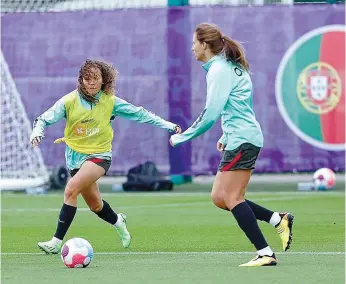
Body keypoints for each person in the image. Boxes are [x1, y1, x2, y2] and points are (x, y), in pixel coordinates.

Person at [170, 23, 294, 267]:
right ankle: (277, 219)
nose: (192, 47)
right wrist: (226, 136)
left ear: (205, 44)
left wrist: (182, 137)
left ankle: (265, 253)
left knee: (232, 196)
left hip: (243, 140)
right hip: (240, 137)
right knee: (220, 197)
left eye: (194, 42)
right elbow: (237, 107)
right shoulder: (228, 67)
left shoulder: (219, 69)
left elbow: (211, 114)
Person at [30, 59, 182, 254]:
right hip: (75, 158)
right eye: (87, 78)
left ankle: (56, 242)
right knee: (95, 205)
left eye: (96, 78)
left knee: (70, 189)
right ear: (81, 80)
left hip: (100, 156)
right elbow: (44, 118)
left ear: (104, 80)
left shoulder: (110, 101)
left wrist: (169, 126)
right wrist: (37, 131)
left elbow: (140, 114)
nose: (92, 83)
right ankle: (119, 222)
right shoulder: (69, 101)